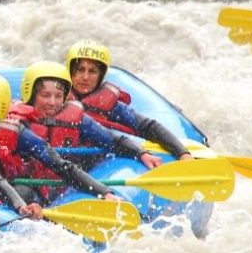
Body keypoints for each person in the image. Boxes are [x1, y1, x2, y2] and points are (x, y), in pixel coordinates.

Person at [0, 73, 119, 204]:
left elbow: (60, 165)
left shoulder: (18, 132)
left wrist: (104, 192)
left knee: (23, 191)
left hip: (9, 196)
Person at [13, 61, 162, 175]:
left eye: (58, 96)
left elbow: (112, 140)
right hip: (29, 185)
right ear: (31, 94)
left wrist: (141, 153)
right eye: (45, 95)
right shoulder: (15, 121)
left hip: (64, 182)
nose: (52, 102)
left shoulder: (75, 118)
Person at [64, 40, 193, 161]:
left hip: (97, 162)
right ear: (70, 71)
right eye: (80, 69)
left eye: (92, 71)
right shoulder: (55, 102)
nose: (85, 77)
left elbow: (148, 127)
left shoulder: (110, 106)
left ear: (100, 76)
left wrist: (182, 152)